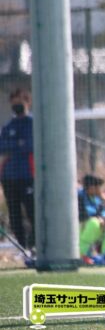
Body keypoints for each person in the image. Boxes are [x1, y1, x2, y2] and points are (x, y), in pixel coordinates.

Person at [0, 88, 34, 251]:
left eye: (20, 102)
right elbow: (2, 147)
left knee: (32, 212)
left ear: (28, 102)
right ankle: (23, 248)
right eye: (14, 103)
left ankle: (34, 246)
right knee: (14, 215)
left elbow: (30, 145)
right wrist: (17, 144)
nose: (16, 105)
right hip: (9, 176)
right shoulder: (8, 126)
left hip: (28, 175)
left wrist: (13, 146)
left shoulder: (32, 124)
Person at [77, 174, 105, 264]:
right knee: (93, 223)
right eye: (97, 186)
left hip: (94, 224)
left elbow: (103, 214)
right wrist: (99, 218)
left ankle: (104, 254)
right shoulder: (80, 196)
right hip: (80, 226)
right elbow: (85, 214)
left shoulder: (97, 198)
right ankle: (81, 254)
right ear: (90, 187)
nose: (99, 189)